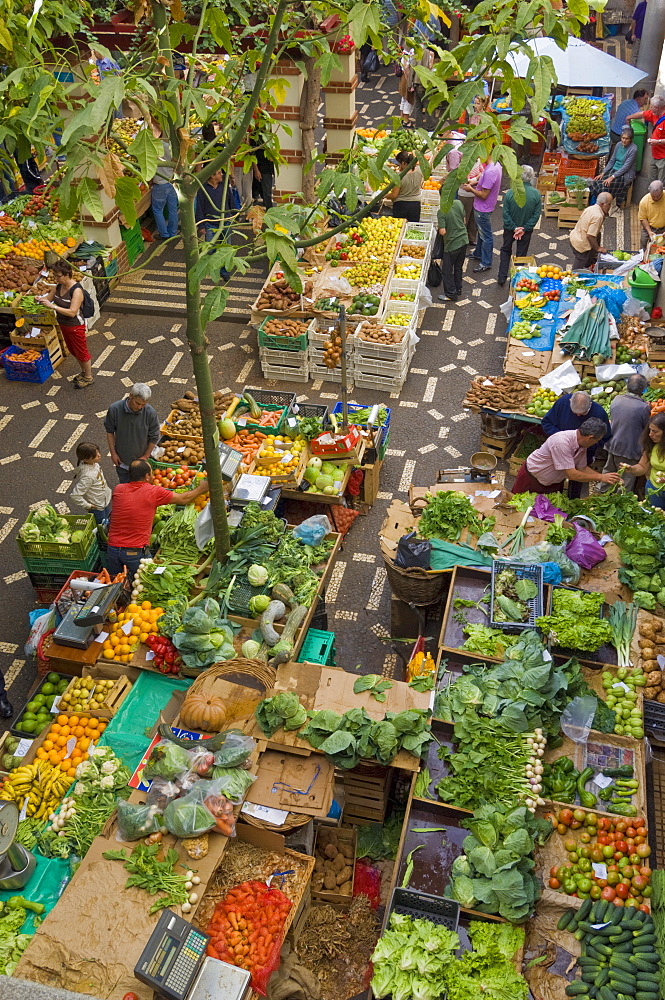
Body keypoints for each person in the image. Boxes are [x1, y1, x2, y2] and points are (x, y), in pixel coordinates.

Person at [106, 460, 209, 581]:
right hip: (135, 551)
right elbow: (183, 499)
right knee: (145, 582)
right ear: (147, 476)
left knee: (114, 584)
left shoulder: (119, 489)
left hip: (112, 549)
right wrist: (201, 489)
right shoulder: (153, 491)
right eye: (152, 473)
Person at [512, 418, 623, 495]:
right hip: (531, 480)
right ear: (590, 437)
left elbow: (582, 467)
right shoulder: (562, 442)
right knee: (517, 510)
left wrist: (606, 477)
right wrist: (600, 478)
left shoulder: (582, 444)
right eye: (597, 441)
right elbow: (572, 475)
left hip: (552, 484)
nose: (596, 444)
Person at [541, 390, 611, 498]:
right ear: (570, 402)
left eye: (582, 413)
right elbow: (546, 423)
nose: (578, 415)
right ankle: (556, 495)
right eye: (575, 412)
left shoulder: (599, 413)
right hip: (560, 450)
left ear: (590, 405)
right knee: (557, 476)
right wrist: (562, 439)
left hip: (584, 452)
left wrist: (589, 445)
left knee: (578, 479)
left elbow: (606, 436)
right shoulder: (562, 403)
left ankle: (573, 499)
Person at [35, 261, 93, 389]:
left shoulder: (76, 290)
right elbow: (49, 298)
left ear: (67, 274)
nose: (56, 278)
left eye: (58, 276)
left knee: (82, 351)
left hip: (75, 326)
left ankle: (88, 377)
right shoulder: (58, 286)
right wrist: (41, 299)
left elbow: (72, 312)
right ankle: (83, 372)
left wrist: (53, 307)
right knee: (73, 350)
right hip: (63, 325)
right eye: (55, 275)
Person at [600, 374, 650, 491]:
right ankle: (620, 502)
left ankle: (601, 496)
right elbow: (646, 427)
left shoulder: (617, 399)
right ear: (642, 389)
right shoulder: (643, 408)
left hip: (613, 444)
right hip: (629, 449)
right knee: (626, 479)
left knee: (609, 473)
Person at [104, 383, 160, 484]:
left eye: (143, 405)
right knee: (125, 485)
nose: (140, 407)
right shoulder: (114, 409)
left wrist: (146, 456)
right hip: (121, 460)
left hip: (141, 461)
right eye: (137, 403)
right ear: (130, 396)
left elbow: (154, 436)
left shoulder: (150, 413)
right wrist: (113, 453)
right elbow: (110, 432)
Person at [497, 165, 542, 287]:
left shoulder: (511, 193)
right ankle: (516, 279)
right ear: (531, 177)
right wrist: (524, 228)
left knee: (506, 250)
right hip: (526, 231)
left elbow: (505, 213)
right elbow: (536, 215)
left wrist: (513, 228)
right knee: (521, 254)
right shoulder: (536, 194)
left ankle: (502, 277)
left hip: (509, 229)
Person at [195, 168, 238, 279]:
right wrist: (201, 225)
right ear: (212, 176)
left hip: (226, 221)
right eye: (219, 173)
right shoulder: (203, 189)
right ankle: (212, 270)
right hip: (210, 223)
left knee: (226, 248)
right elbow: (199, 207)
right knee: (210, 249)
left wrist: (234, 214)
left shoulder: (224, 186)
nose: (222, 174)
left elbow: (231, 200)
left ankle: (224, 271)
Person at [463, 154, 503, 273]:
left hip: (483, 208)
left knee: (486, 236)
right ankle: (478, 253)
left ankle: (486, 262)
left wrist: (471, 189)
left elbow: (484, 195)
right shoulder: (496, 165)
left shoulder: (491, 171)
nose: (479, 157)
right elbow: (485, 184)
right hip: (484, 206)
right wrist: (474, 183)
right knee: (480, 232)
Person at [621, 412, 665, 508]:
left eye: (655, 431)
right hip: (654, 489)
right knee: (654, 518)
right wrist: (631, 469)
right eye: (650, 430)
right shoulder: (652, 446)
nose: (650, 434)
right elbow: (642, 467)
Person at [588, 127, 637, 208]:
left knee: (604, 185)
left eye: (626, 139)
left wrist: (612, 177)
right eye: (623, 138)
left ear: (630, 139)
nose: (624, 141)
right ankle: (595, 203)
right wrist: (603, 173)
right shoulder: (618, 145)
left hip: (624, 174)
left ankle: (604, 206)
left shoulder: (633, 149)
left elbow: (626, 167)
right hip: (614, 170)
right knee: (597, 181)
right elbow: (612, 160)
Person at [70, 441, 112, 525]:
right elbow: (75, 495)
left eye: (98, 452)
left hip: (103, 501)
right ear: (86, 459)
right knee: (101, 527)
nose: (99, 455)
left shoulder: (94, 464)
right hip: (97, 507)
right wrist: (87, 506)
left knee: (107, 520)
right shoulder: (88, 476)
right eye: (95, 455)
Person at [626, 95, 665, 184]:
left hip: (663, 158)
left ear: (657, 108)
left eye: (651, 107)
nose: (650, 109)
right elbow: (642, 114)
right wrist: (629, 117)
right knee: (651, 181)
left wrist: (658, 142)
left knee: (660, 184)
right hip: (655, 155)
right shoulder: (654, 114)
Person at [569, 191, 612, 270]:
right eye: (609, 204)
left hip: (575, 237)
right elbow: (590, 235)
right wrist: (598, 248)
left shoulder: (590, 208)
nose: (610, 207)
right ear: (602, 204)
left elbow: (595, 233)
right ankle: (570, 280)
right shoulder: (598, 216)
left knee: (588, 259)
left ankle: (588, 264)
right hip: (581, 245)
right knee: (576, 270)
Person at [436, 197, 469, 302]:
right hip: (464, 240)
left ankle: (451, 294)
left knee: (447, 271)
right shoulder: (458, 203)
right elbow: (464, 221)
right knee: (458, 267)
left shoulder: (441, 211)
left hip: (451, 245)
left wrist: (439, 226)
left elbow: (443, 232)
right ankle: (458, 288)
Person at [151, 138, 178, 240]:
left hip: (159, 183)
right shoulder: (168, 146)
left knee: (157, 210)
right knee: (173, 209)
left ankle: (164, 234)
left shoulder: (151, 148)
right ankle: (173, 232)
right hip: (171, 181)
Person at [388, 151, 423, 222]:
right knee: (411, 227)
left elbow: (394, 195)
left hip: (401, 205)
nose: (399, 166)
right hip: (415, 205)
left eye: (399, 164)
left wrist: (383, 195)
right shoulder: (419, 170)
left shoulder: (399, 177)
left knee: (400, 227)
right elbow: (421, 183)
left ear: (403, 163)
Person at [638, 179, 665, 248]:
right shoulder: (644, 202)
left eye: (658, 196)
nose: (655, 198)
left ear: (662, 191)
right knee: (643, 241)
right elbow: (643, 218)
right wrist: (649, 231)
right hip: (650, 227)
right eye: (653, 196)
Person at [627, 0, 647, 64]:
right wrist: (633, 34)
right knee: (635, 55)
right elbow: (634, 20)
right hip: (638, 35)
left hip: (648, 38)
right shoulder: (642, 5)